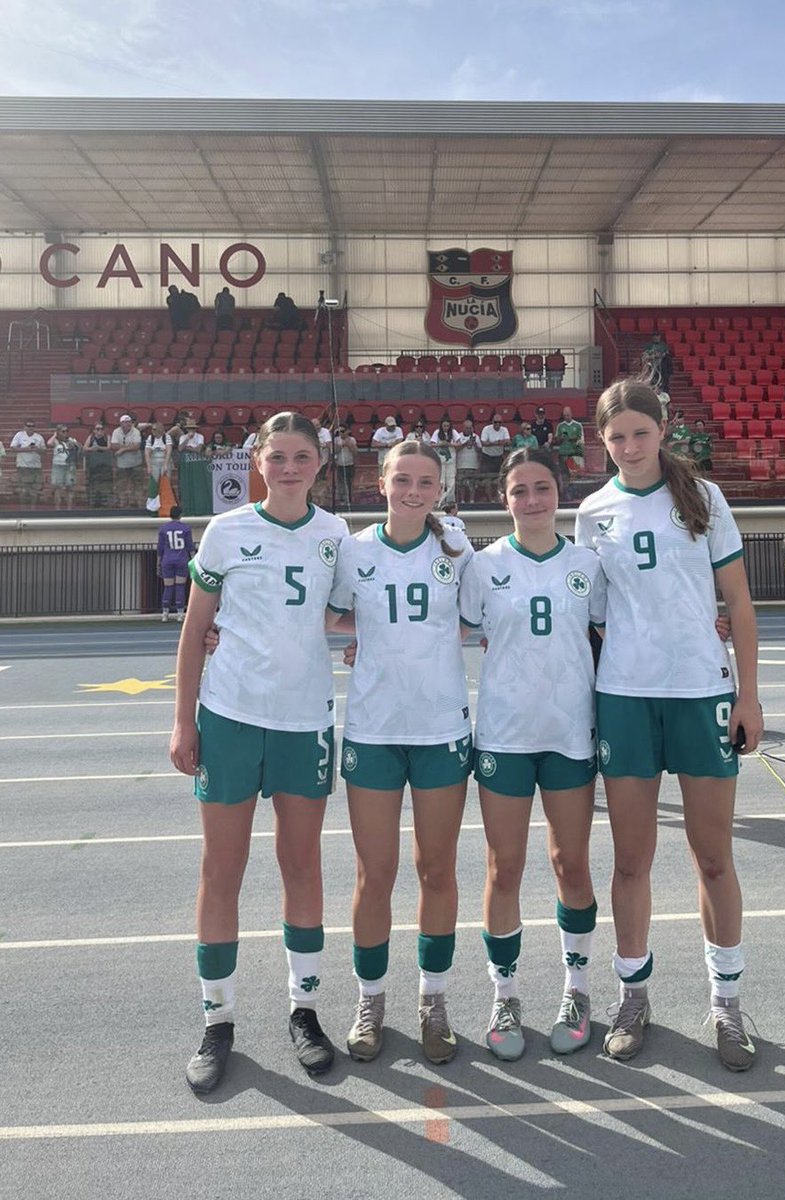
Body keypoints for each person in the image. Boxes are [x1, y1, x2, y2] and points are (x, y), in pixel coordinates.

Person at [575, 378, 763, 1073]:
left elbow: (739, 603)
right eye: (616, 436)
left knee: (713, 857)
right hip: (624, 695)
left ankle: (727, 1001)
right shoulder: (593, 512)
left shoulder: (704, 498)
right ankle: (633, 994)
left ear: (662, 432)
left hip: (700, 692)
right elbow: (588, 618)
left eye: (639, 433)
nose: (628, 447)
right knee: (631, 860)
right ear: (603, 440)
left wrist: (749, 696)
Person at [170, 411, 349, 1094]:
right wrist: (183, 722)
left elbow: (344, 613)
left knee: (301, 865)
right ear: (258, 461)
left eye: (302, 455)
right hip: (232, 716)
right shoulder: (227, 530)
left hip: (304, 720)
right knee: (222, 869)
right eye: (277, 456)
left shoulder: (337, 536)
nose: (289, 467)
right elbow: (195, 630)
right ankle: (217, 1021)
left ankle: (304, 1009)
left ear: (318, 463)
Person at [328, 441, 473, 1065]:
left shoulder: (458, 548)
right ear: (380, 482)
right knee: (375, 873)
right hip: (374, 729)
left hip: (441, 726)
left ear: (440, 488)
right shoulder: (353, 549)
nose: (413, 491)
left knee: (437, 870)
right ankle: (370, 998)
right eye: (402, 479)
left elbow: (480, 622)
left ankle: (433, 998)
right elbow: (330, 619)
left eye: (425, 482)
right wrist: (369, 641)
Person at [460, 447, 605, 1061]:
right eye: (519, 490)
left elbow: (624, 625)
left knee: (571, 864)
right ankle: (505, 992)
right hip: (505, 735)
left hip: (570, 733)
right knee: (506, 867)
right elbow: (439, 628)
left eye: (542, 487)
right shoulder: (481, 566)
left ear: (560, 493)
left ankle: (577, 987)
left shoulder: (589, 566)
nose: (532, 500)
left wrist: (709, 624)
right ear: (504, 499)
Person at [157, 504, 195, 621]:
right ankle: (180, 614)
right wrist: (193, 560)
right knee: (180, 586)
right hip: (181, 559)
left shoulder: (163, 529)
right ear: (180, 515)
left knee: (168, 587)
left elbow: (160, 548)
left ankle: (165, 614)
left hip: (167, 560)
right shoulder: (186, 528)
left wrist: (158, 562)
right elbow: (190, 546)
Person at [177, 420, 212, 516]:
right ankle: (188, 510)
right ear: (187, 429)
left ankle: (201, 509)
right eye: (189, 428)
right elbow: (180, 448)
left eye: (192, 428)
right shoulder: (183, 437)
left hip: (198, 464)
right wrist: (187, 439)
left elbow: (199, 449)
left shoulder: (200, 436)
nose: (191, 430)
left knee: (199, 485)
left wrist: (188, 448)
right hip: (186, 464)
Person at [110, 414, 144, 509]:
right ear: (121, 423)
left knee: (138, 485)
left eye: (129, 422)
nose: (128, 424)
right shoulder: (116, 432)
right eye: (125, 422)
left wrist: (122, 450)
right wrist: (129, 447)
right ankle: (122, 505)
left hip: (136, 463)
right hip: (121, 464)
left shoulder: (136, 431)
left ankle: (139, 506)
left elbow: (137, 446)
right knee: (121, 485)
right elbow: (113, 445)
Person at [10, 419, 46, 506]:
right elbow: (13, 448)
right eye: (28, 426)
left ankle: (33, 508)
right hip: (23, 465)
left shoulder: (39, 437)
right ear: (24, 427)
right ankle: (23, 508)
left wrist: (37, 449)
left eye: (32, 426)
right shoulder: (19, 435)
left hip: (36, 466)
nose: (31, 428)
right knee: (23, 489)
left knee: (35, 489)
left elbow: (44, 451)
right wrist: (26, 449)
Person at [47, 424, 81, 510]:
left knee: (70, 487)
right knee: (58, 487)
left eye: (66, 431)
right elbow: (49, 443)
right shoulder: (55, 441)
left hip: (69, 466)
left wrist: (74, 445)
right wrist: (55, 435)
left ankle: (69, 508)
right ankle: (57, 508)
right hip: (58, 466)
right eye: (63, 431)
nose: (65, 433)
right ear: (58, 432)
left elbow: (80, 448)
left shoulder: (71, 440)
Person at [479, 414, 511, 499]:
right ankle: (489, 499)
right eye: (495, 422)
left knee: (499, 478)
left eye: (499, 422)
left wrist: (501, 442)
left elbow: (508, 441)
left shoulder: (504, 430)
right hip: (487, 457)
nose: (497, 424)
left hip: (498, 457)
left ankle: (498, 498)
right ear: (492, 422)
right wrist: (496, 443)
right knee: (488, 479)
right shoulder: (487, 429)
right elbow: (483, 443)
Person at [83, 422, 113, 507]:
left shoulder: (107, 437)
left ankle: (105, 502)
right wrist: (92, 448)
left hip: (105, 464)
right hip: (94, 464)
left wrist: (99, 448)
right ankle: (94, 501)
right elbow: (85, 447)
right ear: (94, 430)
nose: (100, 431)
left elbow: (109, 447)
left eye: (101, 429)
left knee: (104, 483)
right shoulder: (91, 437)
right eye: (97, 429)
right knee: (94, 483)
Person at [430, 417, 459, 506]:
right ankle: (440, 501)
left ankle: (451, 501)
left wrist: (449, 444)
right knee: (441, 481)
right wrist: (441, 444)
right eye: (444, 426)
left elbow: (459, 443)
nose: (446, 427)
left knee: (451, 481)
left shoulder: (453, 432)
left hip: (451, 460)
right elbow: (432, 444)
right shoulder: (437, 432)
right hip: (441, 461)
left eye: (447, 426)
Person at [455, 418, 482, 503]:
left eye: (470, 428)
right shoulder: (458, 436)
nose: (468, 429)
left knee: (472, 484)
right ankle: (462, 500)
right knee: (461, 484)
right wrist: (465, 444)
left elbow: (480, 451)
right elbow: (456, 449)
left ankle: (472, 500)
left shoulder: (476, 437)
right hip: (461, 464)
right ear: (463, 428)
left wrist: (475, 445)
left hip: (473, 464)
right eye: (467, 428)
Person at [333, 423, 358, 508]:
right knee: (341, 483)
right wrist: (340, 446)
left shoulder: (352, 440)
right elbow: (334, 452)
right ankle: (342, 499)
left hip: (350, 464)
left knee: (349, 482)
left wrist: (349, 445)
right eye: (339, 431)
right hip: (340, 464)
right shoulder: (336, 440)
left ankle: (350, 499)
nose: (341, 433)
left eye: (343, 431)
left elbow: (355, 453)